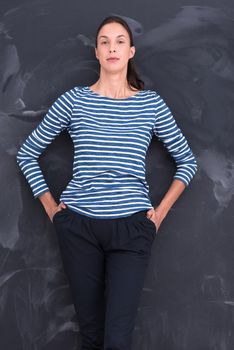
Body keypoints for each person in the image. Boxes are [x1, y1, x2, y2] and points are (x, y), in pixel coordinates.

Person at [16, 15, 197, 350]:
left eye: (119, 42)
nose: (112, 47)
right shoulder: (74, 101)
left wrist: (159, 214)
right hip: (78, 227)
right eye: (104, 42)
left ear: (131, 52)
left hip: (132, 229)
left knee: (117, 339)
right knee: (91, 336)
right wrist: (55, 212)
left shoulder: (151, 104)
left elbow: (187, 161)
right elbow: (26, 154)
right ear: (97, 53)